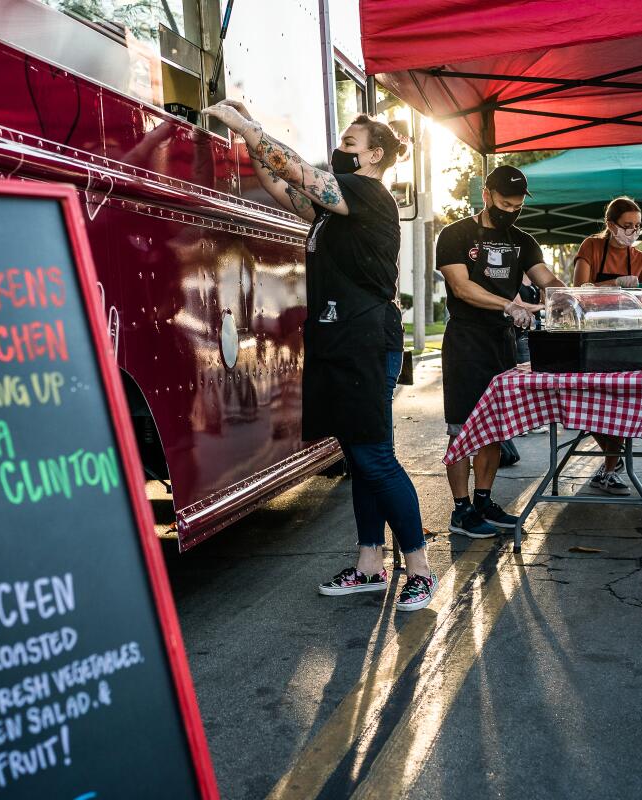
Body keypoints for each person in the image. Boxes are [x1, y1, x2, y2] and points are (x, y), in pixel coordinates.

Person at [204, 100, 437, 611]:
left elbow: (297, 171)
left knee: (375, 455)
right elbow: (280, 186)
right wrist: (251, 143)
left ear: (375, 156)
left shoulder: (367, 193)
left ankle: (419, 566)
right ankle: (370, 564)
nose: (340, 151)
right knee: (359, 456)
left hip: (365, 343)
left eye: (350, 145)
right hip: (338, 342)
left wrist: (249, 126)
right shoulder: (335, 212)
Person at [437, 166, 565, 538]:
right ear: (487, 195)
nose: (511, 210)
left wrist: (569, 295)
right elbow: (461, 288)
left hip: (502, 341)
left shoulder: (522, 241)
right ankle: (460, 511)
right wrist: (509, 305)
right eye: (505, 203)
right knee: (462, 428)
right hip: (464, 340)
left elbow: (546, 280)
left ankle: (482, 501)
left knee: (493, 427)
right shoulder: (455, 234)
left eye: (518, 205)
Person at [571, 197, 642, 494]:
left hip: (626, 339)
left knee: (620, 401)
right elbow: (577, 291)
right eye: (627, 226)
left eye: (637, 226)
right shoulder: (591, 247)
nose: (633, 231)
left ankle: (611, 464)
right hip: (590, 336)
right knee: (587, 401)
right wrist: (614, 284)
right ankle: (614, 460)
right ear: (610, 225)